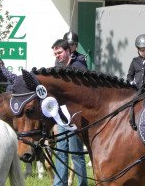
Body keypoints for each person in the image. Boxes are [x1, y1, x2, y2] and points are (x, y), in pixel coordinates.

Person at [52, 31, 88, 186]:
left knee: (76, 153)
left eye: (59, 53)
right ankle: (59, 184)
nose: (57, 56)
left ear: (69, 50)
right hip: (61, 115)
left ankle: (82, 184)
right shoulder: (57, 64)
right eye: (55, 53)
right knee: (60, 152)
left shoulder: (79, 64)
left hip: (74, 116)